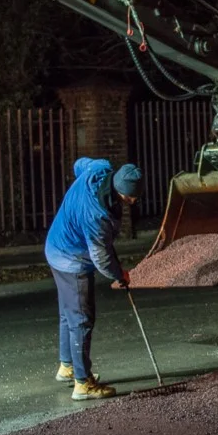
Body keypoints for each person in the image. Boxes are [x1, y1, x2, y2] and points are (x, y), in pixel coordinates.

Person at [45, 157, 142, 401]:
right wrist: (119, 275)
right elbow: (101, 257)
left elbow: (78, 163)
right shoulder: (97, 216)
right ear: (124, 194)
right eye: (131, 198)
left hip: (55, 247)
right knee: (81, 319)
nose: (133, 202)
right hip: (72, 259)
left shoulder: (98, 168)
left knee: (68, 314)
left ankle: (68, 366)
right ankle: (82, 383)